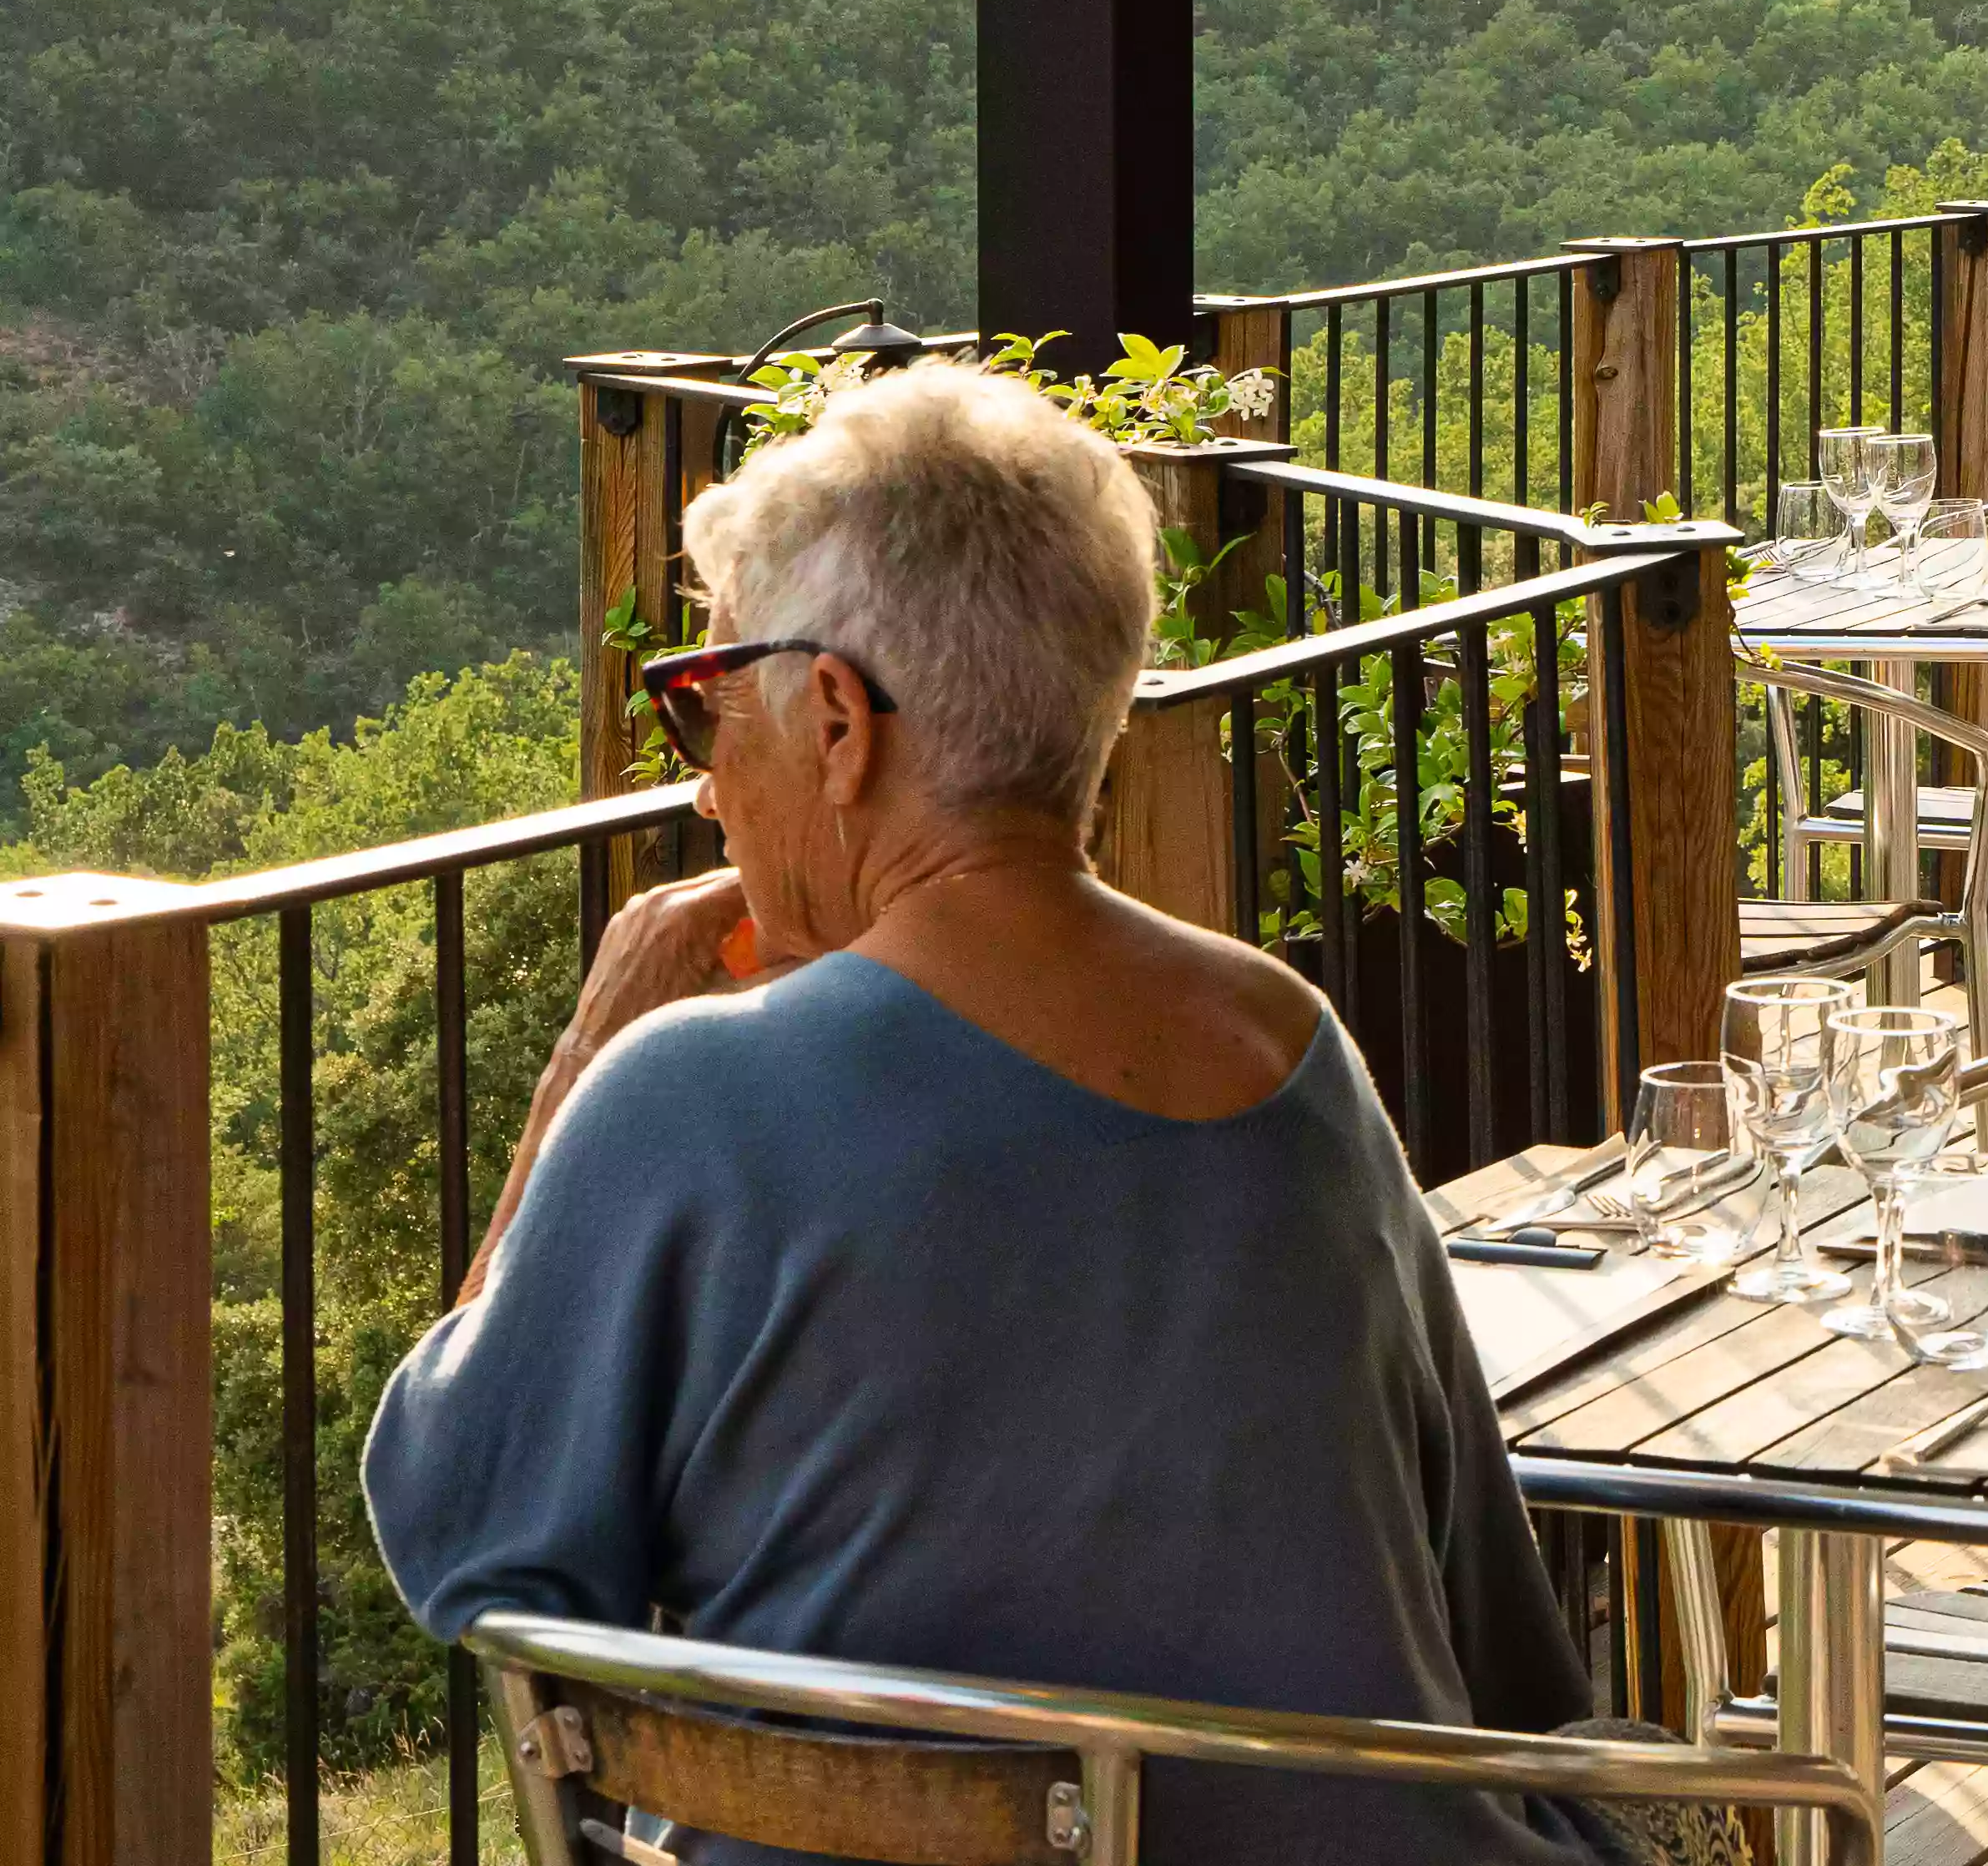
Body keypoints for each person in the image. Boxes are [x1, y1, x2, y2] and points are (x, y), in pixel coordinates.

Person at [363, 365, 1607, 1863]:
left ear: (836, 718)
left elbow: (463, 1530)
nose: (706, 791)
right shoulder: (1289, 1046)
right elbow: (1501, 1651)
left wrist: (594, 1040)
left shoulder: (687, 1096)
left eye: (704, 704)